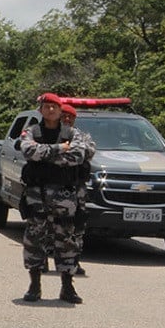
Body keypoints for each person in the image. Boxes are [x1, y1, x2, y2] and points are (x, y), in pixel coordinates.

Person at [18, 93, 88, 304]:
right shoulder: (32, 131)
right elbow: (29, 151)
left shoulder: (72, 133)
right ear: (41, 110)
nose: (50, 110)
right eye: (46, 107)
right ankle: (34, 286)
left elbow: (78, 156)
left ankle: (67, 287)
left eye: (54, 107)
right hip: (37, 196)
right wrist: (59, 149)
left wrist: (45, 155)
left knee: (66, 240)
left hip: (64, 197)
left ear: (60, 110)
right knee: (34, 240)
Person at [60, 103, 95, 274]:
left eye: (70, 117)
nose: (67, 119)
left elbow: (88, 151)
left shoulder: (82, 136)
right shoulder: (49, 133)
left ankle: (74, 260)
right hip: (53, 186)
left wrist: (66, 148)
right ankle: (42, 260)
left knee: (77, 224)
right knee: (47, 224)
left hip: (76, 186)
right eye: (64, 116)